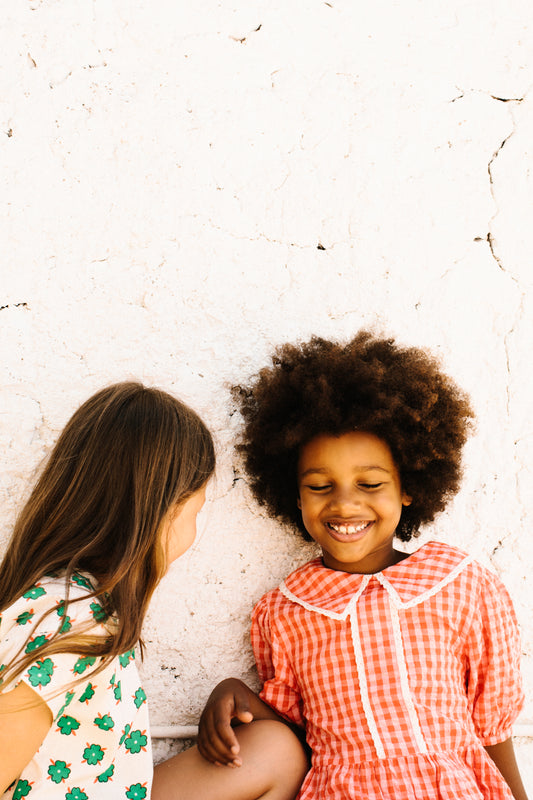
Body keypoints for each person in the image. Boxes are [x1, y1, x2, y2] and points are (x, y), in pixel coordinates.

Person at [197, 332, 529, 800]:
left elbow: (493, 725)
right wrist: (232, 692)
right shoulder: (286, 611)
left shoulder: (461, 585)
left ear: (408, 486)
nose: (345, 504)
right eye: (319, 486)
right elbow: (294, 740)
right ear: (293, 495)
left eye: (370, 483)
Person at [0, 382, 307, 800]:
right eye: (195, 509)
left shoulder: (83, 605)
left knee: (274, 751)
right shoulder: (68, 624)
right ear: (163, 512)